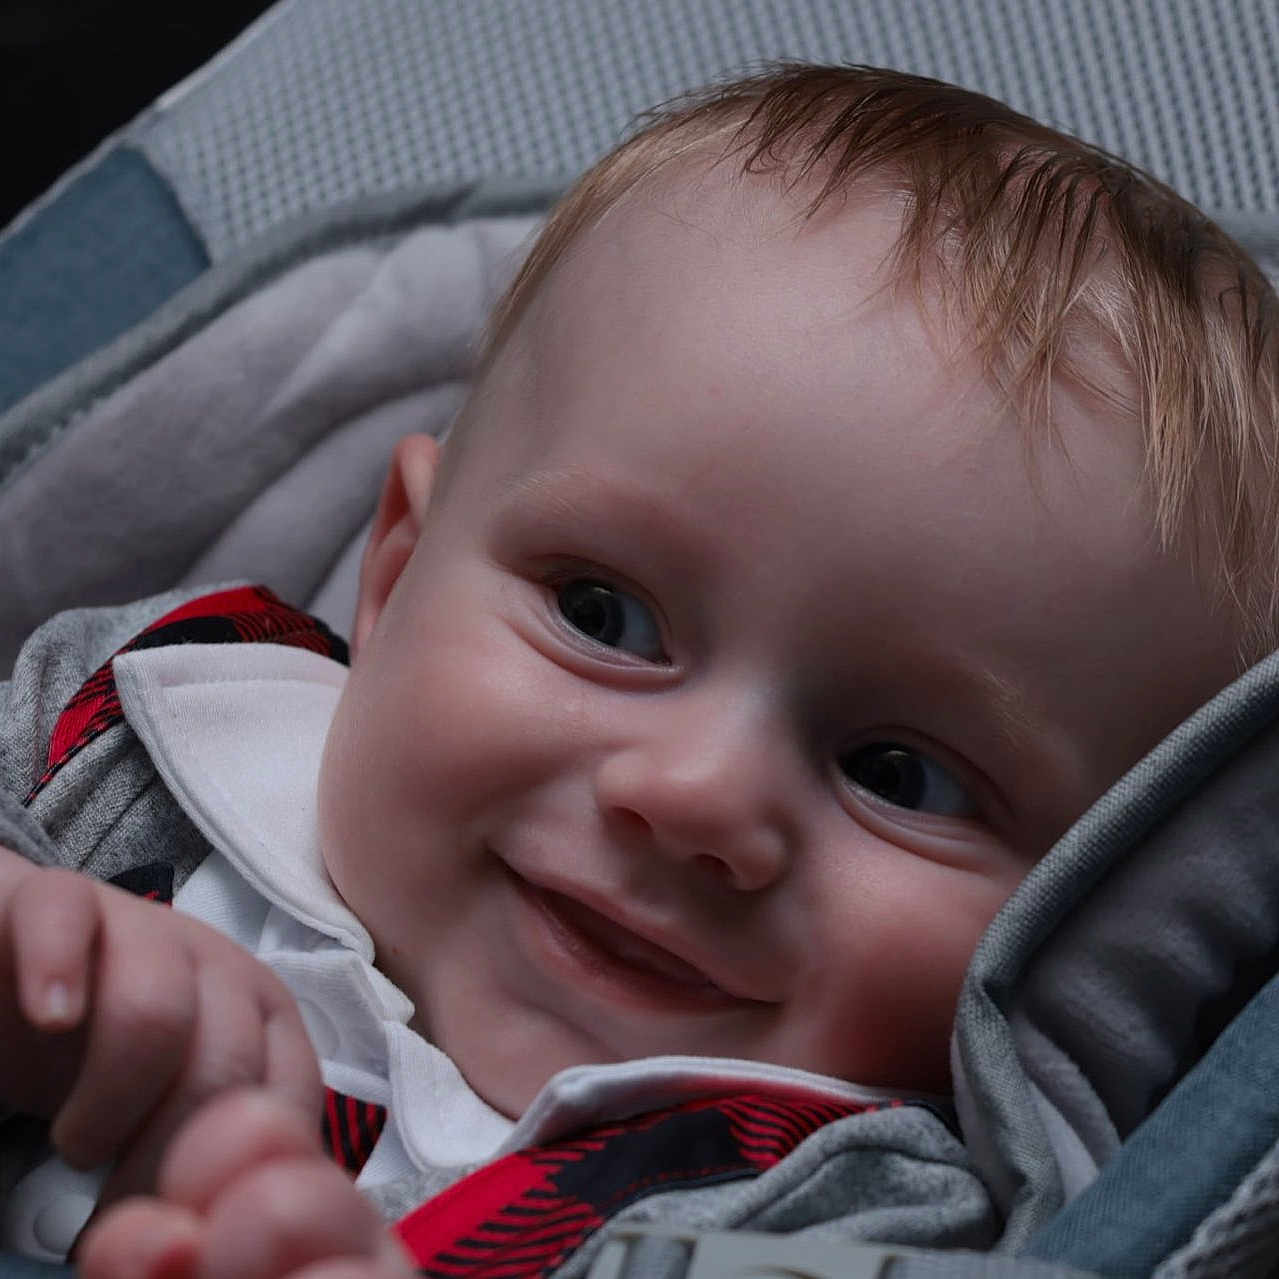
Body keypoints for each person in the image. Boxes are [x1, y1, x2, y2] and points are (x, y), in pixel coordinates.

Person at [3, 63, 1277, 1279]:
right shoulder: (144, 723)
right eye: (603, 615)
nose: (696, 794)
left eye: (899, 772)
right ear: (394, 574)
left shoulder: (871, 1211)